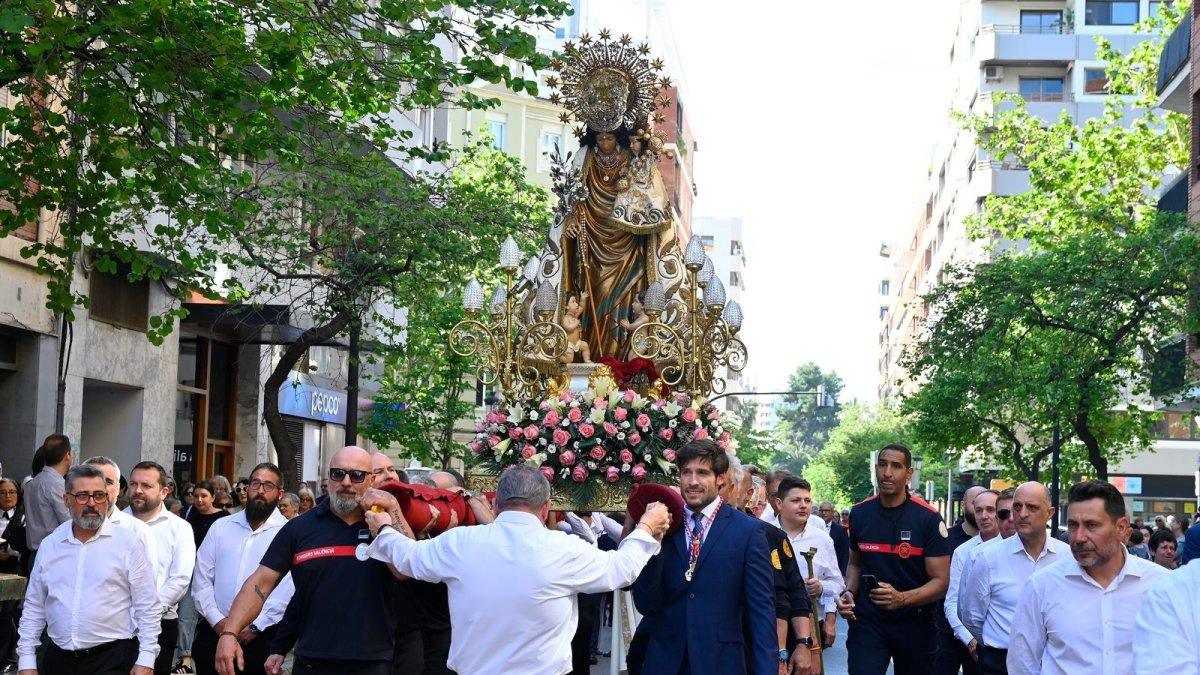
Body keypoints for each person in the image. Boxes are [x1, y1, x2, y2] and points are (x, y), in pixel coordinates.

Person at [359, 464, 669, 675]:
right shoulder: (563, 548)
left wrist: (385, 527)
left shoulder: (460, 542)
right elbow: (622, 569)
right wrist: (645, 526)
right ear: (546, 508)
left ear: (496, 506)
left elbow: (408, 558)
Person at [216, 447, 400, 675]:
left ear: (371, 479)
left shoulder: (385, 524)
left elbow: (407, 569)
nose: (346, 482)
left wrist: (389, 520)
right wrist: (230, 633)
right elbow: (261, 582)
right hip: (313, 659)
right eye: (337, 474)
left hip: (373, 660)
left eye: (357, 475)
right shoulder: (300, 527)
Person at [632, 439, 777, 675]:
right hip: (664, 661)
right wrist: (652, 541)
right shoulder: (664, 524)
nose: (693, 482)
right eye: (686, 473)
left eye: (702, 473)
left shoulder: (749, 532)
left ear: (720, 478)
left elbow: (761, 612)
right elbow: (646, 603)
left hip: (721, 662)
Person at [17, 463, 161, 674]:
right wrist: (26, 660)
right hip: (59, 660)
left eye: (99, 495)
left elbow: (147, 604)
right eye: (83, 496)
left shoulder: (128, 543)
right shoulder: (51, 545)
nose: (92, 503)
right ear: (67, 500)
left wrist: (146, 658)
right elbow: (35, 606)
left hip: (112, 659)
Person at [1007, 481, 1164, 674]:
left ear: (1122, 528)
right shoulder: (1042, 586)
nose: (1079, 537)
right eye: (1073, 526)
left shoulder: (1162, 586)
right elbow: (1022, 663)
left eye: (1091, 525)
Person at [835, 443, 951, 675]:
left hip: (915, 623)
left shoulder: (928, 518)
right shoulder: (859, 513)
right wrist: (848, 592)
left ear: (909, 474)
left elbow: (941, 582)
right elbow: (855, 563)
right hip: (868, 622)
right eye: (882, 464)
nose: (887, 472)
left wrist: (902, 598)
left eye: (896, 466)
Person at [192, 464, 293, 675]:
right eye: (255, 483)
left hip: (261, 638)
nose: (260, 490)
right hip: (213, 632)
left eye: (268, 485)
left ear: (280, 493)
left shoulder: (289, 532)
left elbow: (287, 589)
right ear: (247, 488)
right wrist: (221, 624)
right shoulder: (221, 526)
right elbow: (202, 580)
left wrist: (256, 626)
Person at [960, 482, 1068, 675]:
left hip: (1053, 661)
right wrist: (997, 644)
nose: (1022, 514)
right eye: (1017, 507)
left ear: (1050, 512)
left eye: (1032, 507)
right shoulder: (988, 558)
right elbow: (971, 616)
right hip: (999, 662)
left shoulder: (1067, 557)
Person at [723, 456, 816, 675]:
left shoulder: (769, 536)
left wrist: (801, 646)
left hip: (756, 645)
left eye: (726, 484)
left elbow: (788, 594)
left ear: (745, 494)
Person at [127, 461, 197, 675]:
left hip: (159, 623)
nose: (138, 490)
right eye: (133, 484)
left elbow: (180, 579)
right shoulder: (114, 523)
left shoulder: (180, 528)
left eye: (146, 486)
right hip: (114, 626)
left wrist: (147, 612)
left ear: (164, 491)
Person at [774, 476, 842, 652]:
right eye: (796, 500)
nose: (803, 505)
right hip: (772, 623)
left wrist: (821, 590)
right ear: (780, 503)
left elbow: (836, 583)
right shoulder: (762, 534)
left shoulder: (823, 540)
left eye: (807, 500)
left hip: (812, 623)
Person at [941, 489, 1001, 675]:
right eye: (979, 510)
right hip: (966, 638)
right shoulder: (963, 551)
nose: (984, 516)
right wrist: (970, 639)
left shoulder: (1013, 549)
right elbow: (952, 602)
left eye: (991, 510)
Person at [178, 481, 229, 674]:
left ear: (213, 497)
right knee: (186, 616)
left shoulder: (223, 518)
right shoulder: (188, 515)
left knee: (212, 612)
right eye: (195, 495)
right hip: (191, 572)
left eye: (204, 496)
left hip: (215, 574)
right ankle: (185, 657)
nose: (199, 500)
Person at [1133, 533, 1200, 673]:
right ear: (1152, 550)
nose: (1169, 551)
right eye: (1164, 547)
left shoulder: (1179, 576)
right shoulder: (1166, 589)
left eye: (1172, 548)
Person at [21, 434, 72, 575]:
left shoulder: (31, 483)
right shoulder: (56, 484)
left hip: (35, 554)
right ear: (68, 455)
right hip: (54, 556)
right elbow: (68, 521)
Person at [0, 479, 22, 671]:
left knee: (8, 614)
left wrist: (11, 552)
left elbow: (28, 545)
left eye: (12, 492)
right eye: (3, 492)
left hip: (14, 571)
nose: (7, 496)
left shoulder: (23, 516)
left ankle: (10, 658)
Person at [819, 500, 851, 575]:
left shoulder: (841, 530)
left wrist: (843, 574)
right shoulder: (812, 529)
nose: (824, 513)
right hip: (817, 571)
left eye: (826, 510)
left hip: (835, 571)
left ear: (832, 512)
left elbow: (845, 554)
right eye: (821, 510)